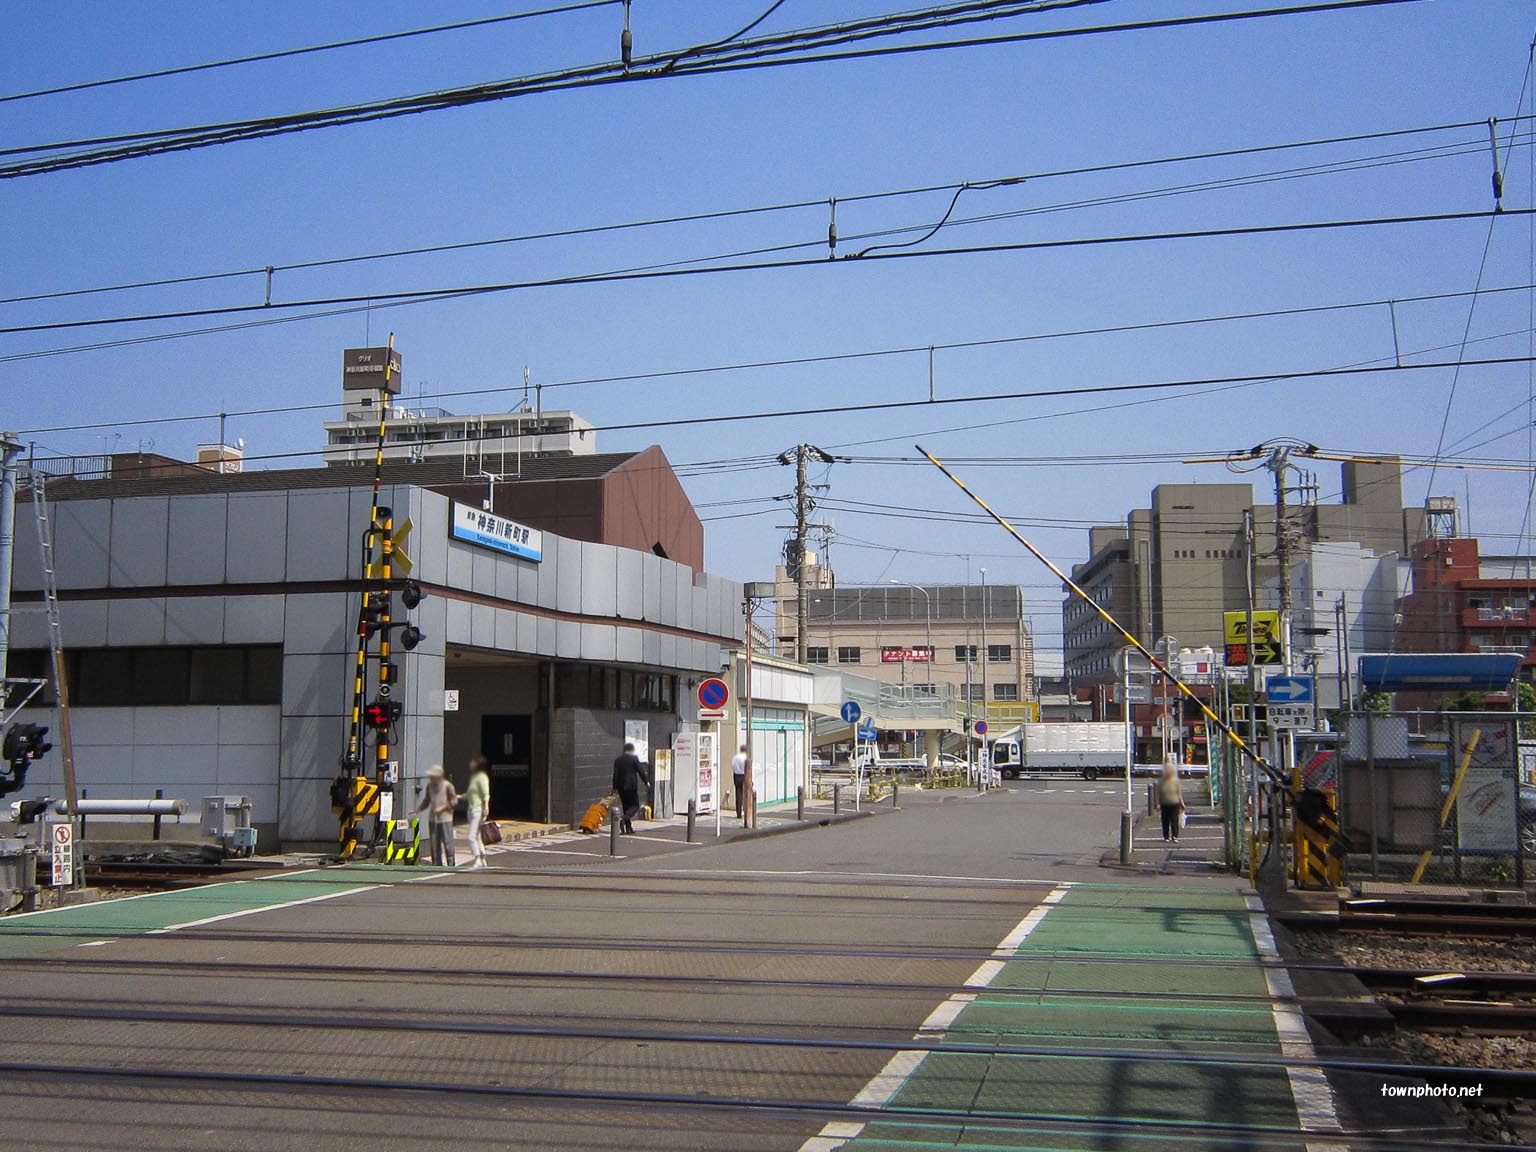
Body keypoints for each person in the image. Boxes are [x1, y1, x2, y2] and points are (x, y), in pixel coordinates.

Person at [416, 764, 459, 866]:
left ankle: (451, 864)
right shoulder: (429, 786)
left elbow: (454, 801)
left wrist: (443, 807)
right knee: (434, 843)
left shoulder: (448, 786)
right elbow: (427, 800)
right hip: (433, 819)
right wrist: (418, 809)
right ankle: (436, 864)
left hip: (445, 818)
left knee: (447, 842)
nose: (432, 778)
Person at [612, 742, 650, 835]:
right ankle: (624, 819)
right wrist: (646, 782)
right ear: (631, 750)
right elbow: (641, 771)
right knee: (635, 805)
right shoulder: (634, 758)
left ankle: (628, 828)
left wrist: (614, 788)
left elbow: (615, 775)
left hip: (621, 787)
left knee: (626, 806)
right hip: (631, 786)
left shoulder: (618, 760)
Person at [463, 754, 492, 869]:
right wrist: (460, 797)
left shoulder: (481, 777)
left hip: (478, 809)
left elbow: (485, 793)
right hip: (471, 809)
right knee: (477, 835)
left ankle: (477, 858)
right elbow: (470, 794)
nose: (470, 764)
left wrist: (486, 807)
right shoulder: (474, 777)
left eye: (473, 762)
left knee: (471, 836)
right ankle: (482, 858)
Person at [1158, 759, 1186, 843]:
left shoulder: (1176, 781)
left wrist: (1182, 802)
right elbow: (1159, 793)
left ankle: (1175, 836)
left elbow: (1179, 792)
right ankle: (1166, 836)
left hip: (1174, 802)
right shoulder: (1162, 781)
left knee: (1174, 820)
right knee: (1165, 820)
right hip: (1164, 802)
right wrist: (1158, 803)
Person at [731, 744, 749, 820]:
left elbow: (732, 766)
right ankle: (746, 811)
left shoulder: (735, 757)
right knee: (746, 794)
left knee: (738, 794)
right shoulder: (746, 758)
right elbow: (748, 767)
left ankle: (738, 813)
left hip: (736, 775)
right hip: (744, 775)